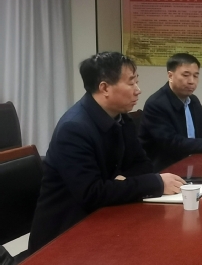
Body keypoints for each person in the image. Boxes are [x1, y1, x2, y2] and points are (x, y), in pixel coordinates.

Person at [29, 52, 185, 253]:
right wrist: (155, 183)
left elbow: (143, 165)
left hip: (103, 219)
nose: (138, 90)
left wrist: (118, 183)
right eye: (131, 83)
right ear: (104, 88)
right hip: (64, 236)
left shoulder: (121, 119)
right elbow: (91, 193)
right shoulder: (74, 128)